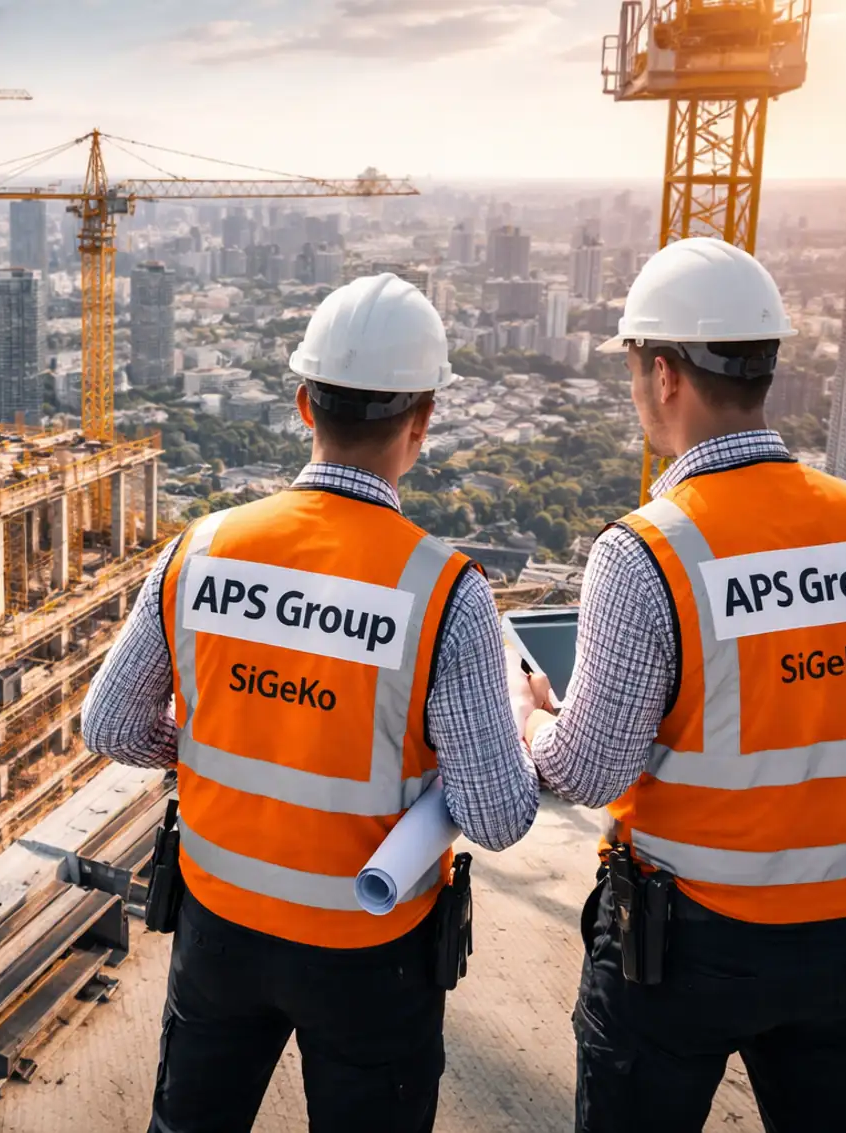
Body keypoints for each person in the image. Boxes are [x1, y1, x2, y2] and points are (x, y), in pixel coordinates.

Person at [511, 236, 846, 1133]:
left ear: (664, 374)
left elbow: (588, 770)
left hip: (682, 944)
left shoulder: (649, 552)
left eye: (635, 371)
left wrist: (533, 720)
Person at [82, 273, 541, 1133]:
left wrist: (219, 742)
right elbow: (496, 815)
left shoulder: (200, 550)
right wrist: (515, 712)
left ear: (303, 404)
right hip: (370, 949)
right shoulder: (445, 592)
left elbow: (108, 724)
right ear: (422, 420)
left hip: (218, 921)